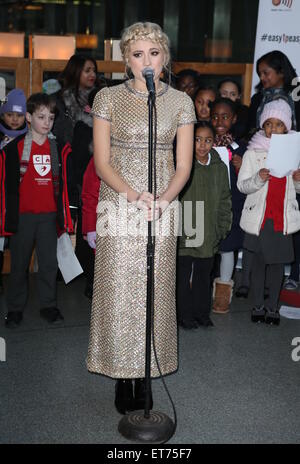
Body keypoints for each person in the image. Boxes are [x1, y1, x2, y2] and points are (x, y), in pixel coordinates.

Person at [87, 22, 196, 415]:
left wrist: (163, 200)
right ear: (126, 59)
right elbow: (101, 163)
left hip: (163, 206)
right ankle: (122, 374)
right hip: (119, 203)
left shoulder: (182, 102)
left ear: (165, 58)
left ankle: (149, 371)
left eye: (154, 53)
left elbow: (182, 166)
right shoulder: (107, 98)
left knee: (156, 287)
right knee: (120, 289)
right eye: (137, 54)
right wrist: (134, 196)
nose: (146, 61)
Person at [2, 93, 75, 328]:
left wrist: (66, 215)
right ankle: (14, 309)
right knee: (19, 265)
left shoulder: (59, 149)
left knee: (48, 264)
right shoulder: (14, 149)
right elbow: (7, 186)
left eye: (51, 118)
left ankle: (48, 305)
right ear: (28, 117)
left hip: (48, 217)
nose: (47, 122)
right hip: (23, 217)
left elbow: (64, 185)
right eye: (41, 117)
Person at [237, 99, 300, 325]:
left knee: (277, 266)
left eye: (279, 124)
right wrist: (257, 178)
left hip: (281, 218)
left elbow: (297, 189)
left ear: (287, 127)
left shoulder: (294, 152)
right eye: (269, 124)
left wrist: (297, 180)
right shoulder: (252, 153)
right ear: (262, 126)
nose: (273, 129)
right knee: (259, 264)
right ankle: (257, 305)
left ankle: (273, 307)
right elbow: (242, 185)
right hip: (259, 218)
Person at [177, 122, 232, 329]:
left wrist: (223, 226)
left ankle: (201, 313)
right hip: (185, 231)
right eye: (197, 139)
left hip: (208, 231)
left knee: (203, 276)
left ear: (213, 142)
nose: (202, 145)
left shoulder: (218, 166)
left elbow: (225, 198)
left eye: (207, 140)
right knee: (182, 277)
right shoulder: (181, 164)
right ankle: (184, 314)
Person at [210, 98, 246, 313]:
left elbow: (249, 181)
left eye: (225, 116)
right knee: (201, 250)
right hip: (204, 205)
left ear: (234, 119)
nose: (219, 121)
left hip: (231, 206)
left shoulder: (241, 148)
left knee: (226, 248)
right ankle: (194, 291)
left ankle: (222, 293)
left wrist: (242, 167)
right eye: (215, 116)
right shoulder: (202, 143)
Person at [0, 88, 28, 294]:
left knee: (15, 244)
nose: (14, 120)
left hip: (17, 199)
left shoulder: (29, 139)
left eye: (19, 115)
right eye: (10, 114)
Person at [248, 50, 300, 133]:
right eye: (259, 74)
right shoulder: (257, 99)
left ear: (281, 72)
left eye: (265, 73)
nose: (261, 77)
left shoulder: (297, 96)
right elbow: (250, 129)